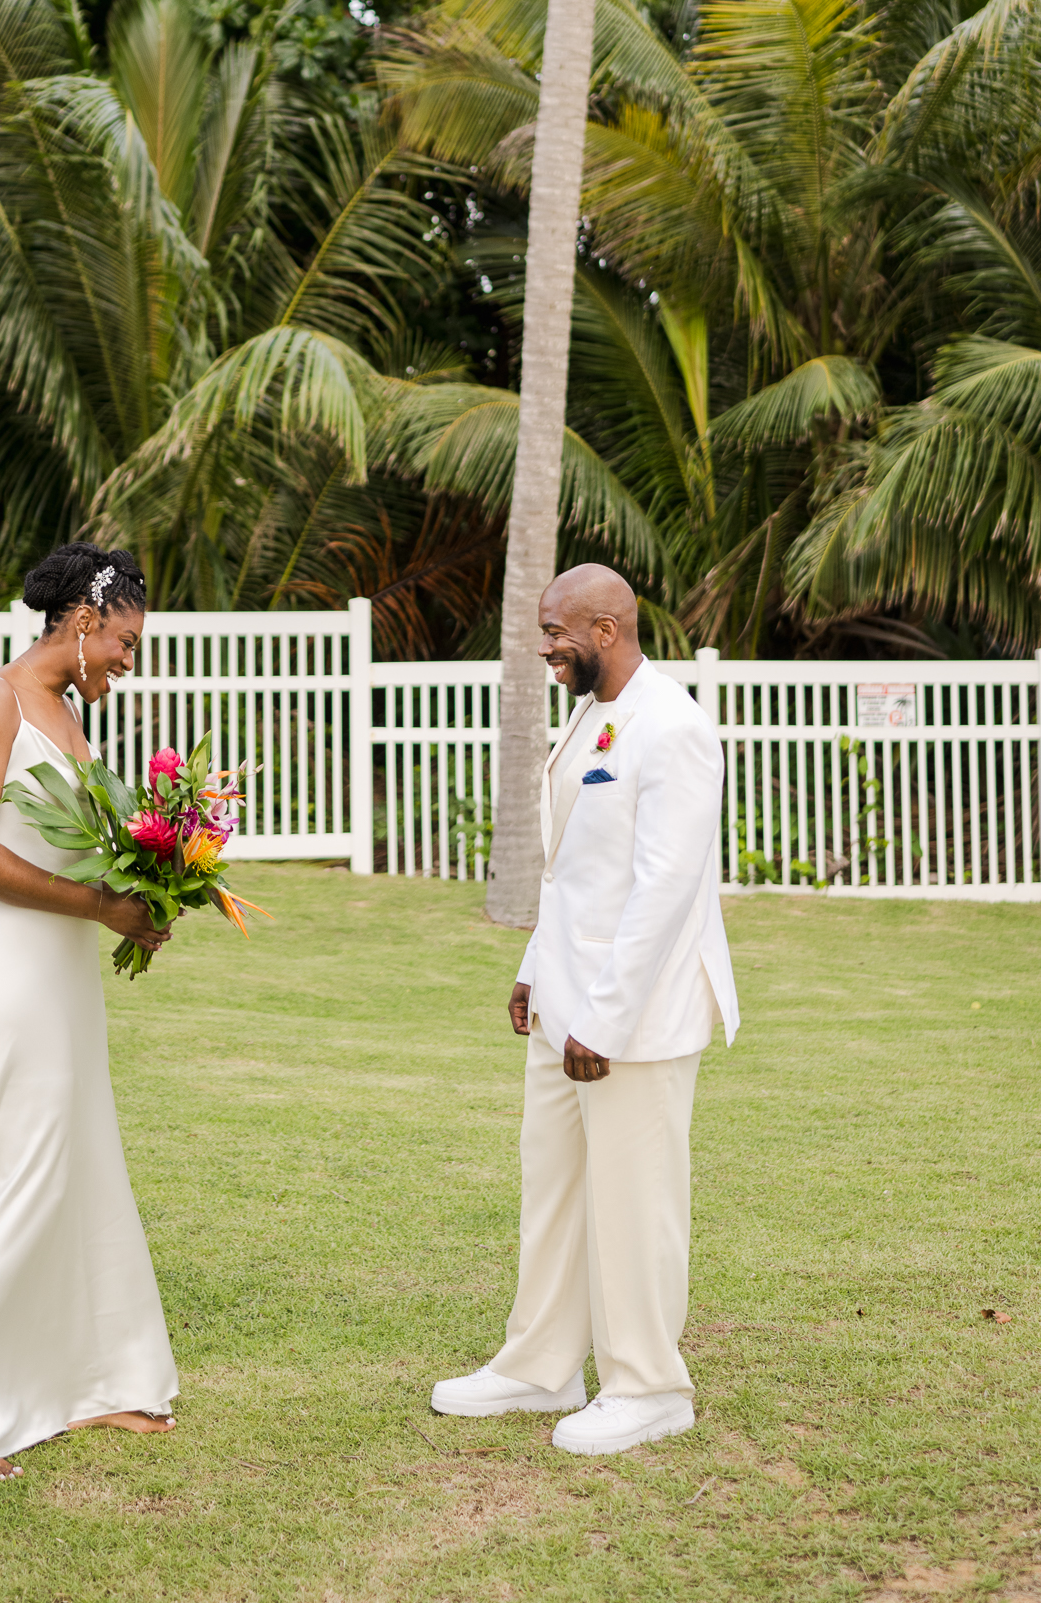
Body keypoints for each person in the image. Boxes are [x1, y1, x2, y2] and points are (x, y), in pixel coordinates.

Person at [431, 564, 739, 1455]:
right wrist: (536, 968)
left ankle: (650, 1387)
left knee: (636, 1201)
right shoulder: (590, 715)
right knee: (554, 1189)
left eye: (557, 631)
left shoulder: (672, 727)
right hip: (564, 1004)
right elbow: (575, 875)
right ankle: (540, 1367)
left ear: (607, 629)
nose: (544, 646)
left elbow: (665, 889)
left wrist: (602, 1020)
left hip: (629, 1021)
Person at [0, 543, 180, 1481]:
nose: (130, 663)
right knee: (19, 1164)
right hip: (3, 962)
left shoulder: (65, 712)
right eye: (128, 644)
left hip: (58, 965)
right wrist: (104, 906)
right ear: (84, 620)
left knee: (78, 1155)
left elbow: (63, 849)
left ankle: (91, 1378)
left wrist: (150, 894)